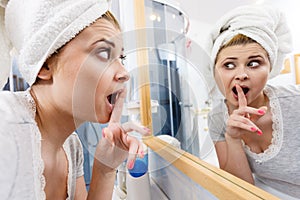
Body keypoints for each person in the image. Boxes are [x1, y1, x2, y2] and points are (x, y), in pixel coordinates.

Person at [0, 0, 150, 199]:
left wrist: (104, 171)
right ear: (45, 65)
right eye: (104, 53)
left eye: (121, 58)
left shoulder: (71, 147)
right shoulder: (6, 127)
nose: (124, 73)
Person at [206, 5, 300, 199]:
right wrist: (232, 138)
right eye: (229, 65)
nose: (241, 75)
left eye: (254, 63)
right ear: (215, 70)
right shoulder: (217, 117)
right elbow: (240, 189)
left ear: (270, 68)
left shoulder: (295, 102)